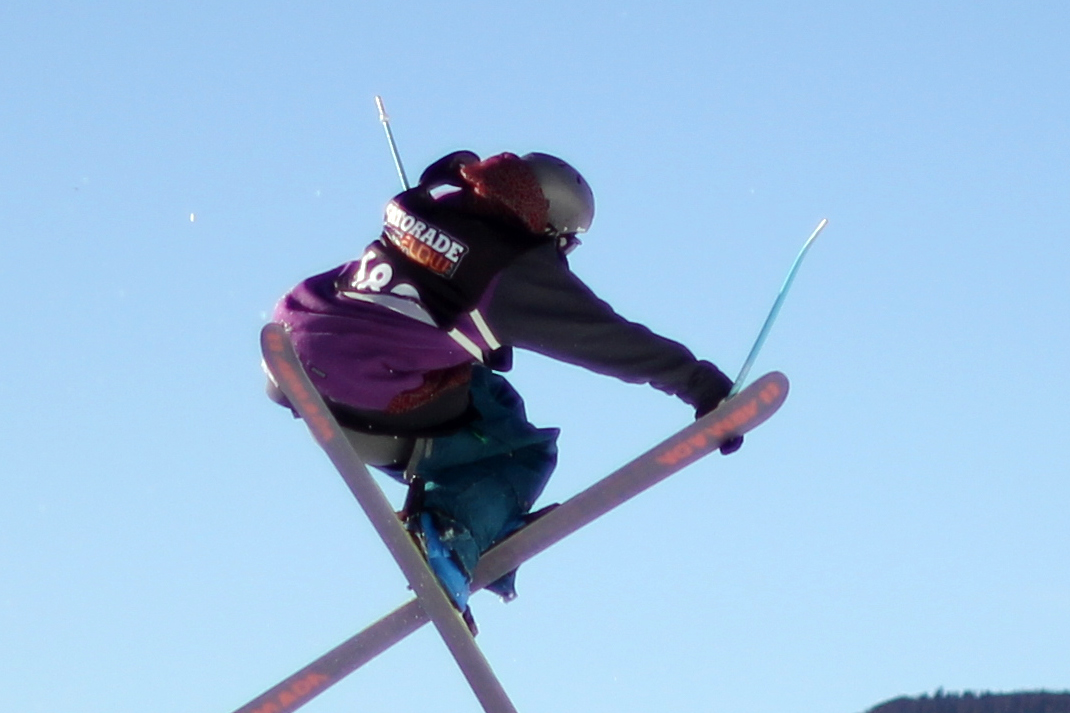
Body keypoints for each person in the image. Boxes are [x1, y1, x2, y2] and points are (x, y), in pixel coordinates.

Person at [269, 150, 734, 607]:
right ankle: (451, 534)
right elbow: (610, 341)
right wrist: (700, 384)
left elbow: (420, 298)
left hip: (294, 340)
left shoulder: (444, 204)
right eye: (567, 243)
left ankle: (477, 527)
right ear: (550, 229)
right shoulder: (514, 273)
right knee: (520, 450)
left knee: (491, 398)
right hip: (369, 389)